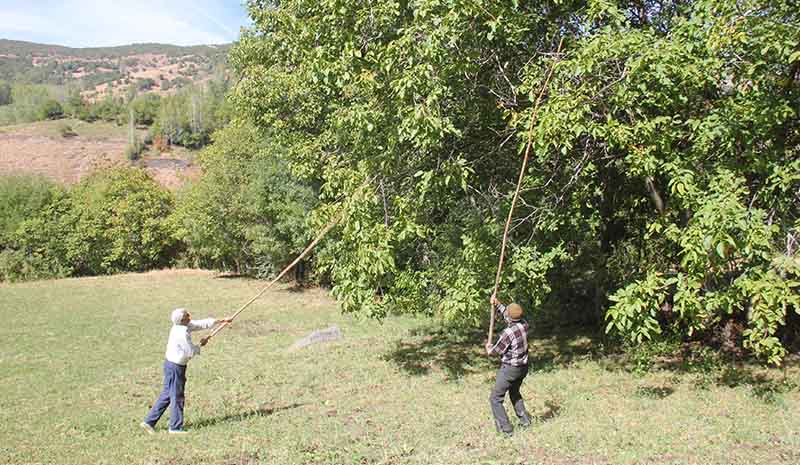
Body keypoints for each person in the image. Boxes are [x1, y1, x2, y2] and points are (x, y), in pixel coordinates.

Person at [139, 308, 232, 434]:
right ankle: (175, 428)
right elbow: (190, 352)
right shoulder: (181, 333)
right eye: (188, 315)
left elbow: (200, 324)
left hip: (170, 365)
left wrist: (222, 320)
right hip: (175, 367)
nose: (190, 316)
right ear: (182, 320)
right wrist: (201, 344)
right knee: (177, 396)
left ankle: (149, 422)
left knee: (167, 394)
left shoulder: (181, 326)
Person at [485, 294, 532, 437]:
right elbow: (509, 315)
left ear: (510, 319)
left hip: (510, 369)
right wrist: (498, 303)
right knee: (514, 392)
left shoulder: (508, 332)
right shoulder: (524, 324)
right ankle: (525, 420)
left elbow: (496, 351)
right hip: (523, 368)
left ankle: (506, 430)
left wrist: (489, 349)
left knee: (495, 398)